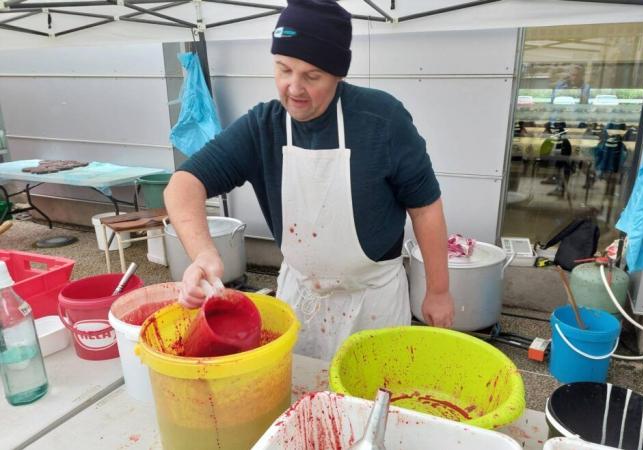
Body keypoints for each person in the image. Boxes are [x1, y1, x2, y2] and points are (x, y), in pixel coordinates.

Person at [163, 0, 454, 361]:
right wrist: (204, 254)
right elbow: (183, 184)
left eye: (312, 76)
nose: (294, 88)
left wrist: (438, 291)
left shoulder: (382, 120)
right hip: (301, 299)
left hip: (373, 303)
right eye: (283, 69)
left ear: (338, 74)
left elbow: (425, 208)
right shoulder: (263, 127)